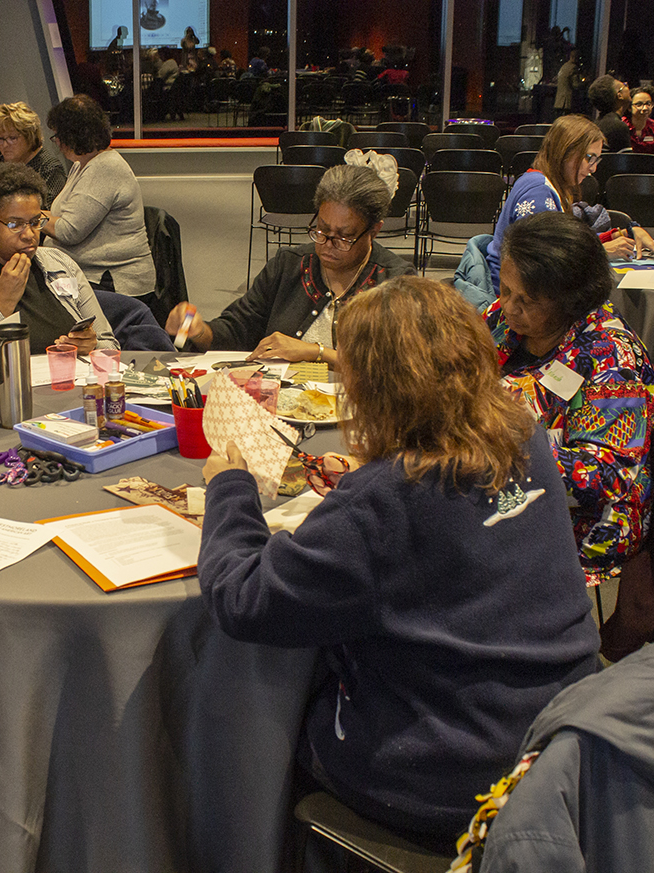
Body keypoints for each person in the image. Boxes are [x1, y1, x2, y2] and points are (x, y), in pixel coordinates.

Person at [198, 275, 601, 853]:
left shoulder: (387, 500)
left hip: (445, 780)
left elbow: (242, 600)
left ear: (375, 390)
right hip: (561, 741)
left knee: (264, 709)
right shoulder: (526, 437)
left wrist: (230, 487)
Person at [486, 211, 654, 586]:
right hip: (499, 482)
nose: (509, 307)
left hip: (581, 522)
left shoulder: (613, 362)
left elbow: (604, 476)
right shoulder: (505, 320)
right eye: (504, 290)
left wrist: (488, 446)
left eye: (528, 300)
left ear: (571, 301)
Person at [164, 163, 413, 366]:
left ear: (374, 231)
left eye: (344, 237)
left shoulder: (395, 281)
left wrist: (316, 352)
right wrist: (199, 331)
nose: (327, 244)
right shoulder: (289, 266)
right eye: (322, 230)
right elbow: (238, 329)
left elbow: (399, 365)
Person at [0, 162, 117, 365]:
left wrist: (92, 346)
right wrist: (2, 306)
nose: (29, 235)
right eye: (14, 224)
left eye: (35, 222)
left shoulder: (61, 264)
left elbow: (110, 345)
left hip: (67, 383)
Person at [483, 115, 654, 293]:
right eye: (590, 158)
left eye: (597, 159)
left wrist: (620, 234)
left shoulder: (543, 184)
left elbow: (560, 244)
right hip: (514, 306)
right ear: (565, 152)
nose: (593, 168)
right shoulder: (538, 193)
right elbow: (542, 265)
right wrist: (600, 252)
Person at [41, 94, 158, 314]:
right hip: (90, 276)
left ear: (72, 135)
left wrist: (29, 216)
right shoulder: (82, 165)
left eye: (57, 135)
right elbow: (62, 216)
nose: (56, 141)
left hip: (113, 282)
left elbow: (68, 231)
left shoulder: (105, 168)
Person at [588, 74, 632, 152]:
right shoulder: (618, 127)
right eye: (624, 85)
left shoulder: (597, 123)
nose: (627, 87)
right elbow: (625, 162)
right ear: (620, 95)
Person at [625, 86, 654, 156]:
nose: (645, 108)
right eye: (639, 104)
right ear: (629, 107)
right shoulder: (622, 125)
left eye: (648, 104)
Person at [553, 49, 579, 115]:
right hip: (566, 101)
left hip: (559, 100)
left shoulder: (564, 66)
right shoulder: (573, 68)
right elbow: (576, 85)